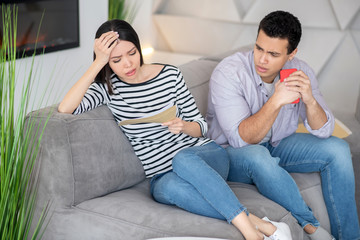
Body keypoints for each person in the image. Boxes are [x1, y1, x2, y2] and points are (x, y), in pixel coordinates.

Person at [58, 19, 293, 240]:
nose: (128, 63)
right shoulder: (107, 90)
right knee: (168, 189)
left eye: (132, 53)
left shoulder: (169, 74)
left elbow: (201, 127)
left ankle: (249, 232)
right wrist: (98, 62)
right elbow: (66, 108)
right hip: (162, 175)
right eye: (116, 59)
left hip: (204, 157)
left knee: (182, 159)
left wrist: (184, 126)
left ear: (139, 49)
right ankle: (261, 224)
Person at [206, 10, 360, 240]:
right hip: (232, 153)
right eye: (259, 48)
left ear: (291, 54)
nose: (262, 59)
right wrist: (275, 100)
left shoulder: (301, 71)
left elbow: (324, 129)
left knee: (338, 149)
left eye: (273, 54)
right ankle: (313, 227)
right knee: (258, 155)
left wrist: (309, 100)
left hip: (278, 144)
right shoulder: (229, 73)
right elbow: (241, 140)